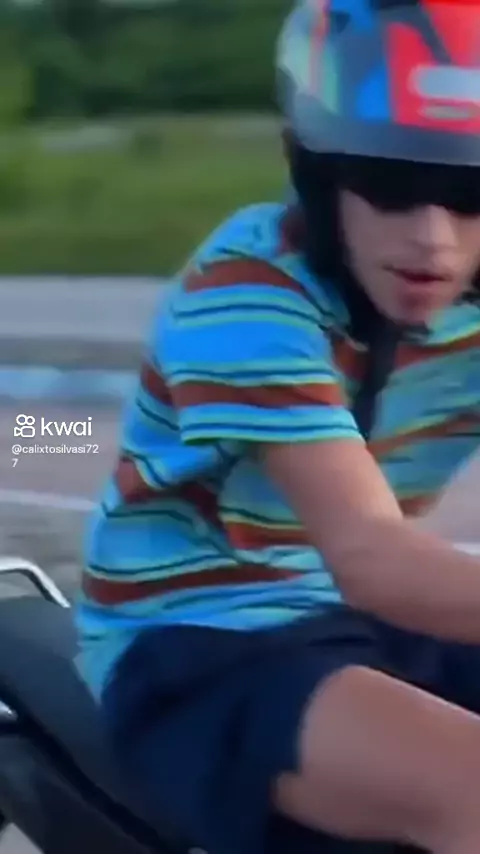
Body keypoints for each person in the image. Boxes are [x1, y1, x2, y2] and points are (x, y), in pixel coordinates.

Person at [76, 1, 480, 852]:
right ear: (319, 173)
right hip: (198, 636)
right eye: (391, 186)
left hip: (359, 623)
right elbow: (373, 559)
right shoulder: (251, 291)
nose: (433, 238)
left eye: (471, 195)